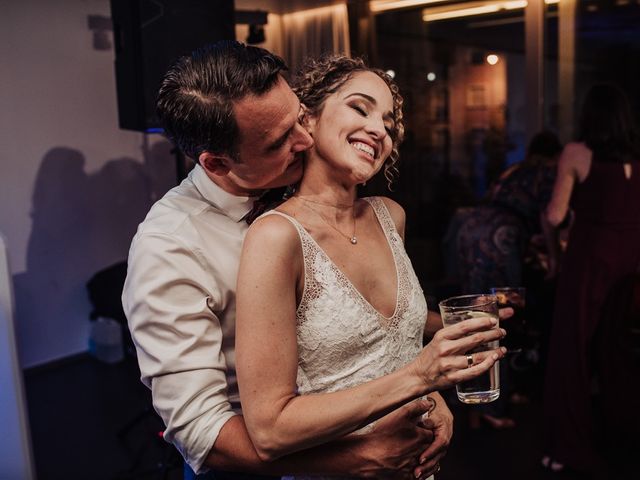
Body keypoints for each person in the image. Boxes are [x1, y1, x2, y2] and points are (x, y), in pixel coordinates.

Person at [122, 41, 454, 479]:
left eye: (299, 116)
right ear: (218, 164)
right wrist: (357, 459)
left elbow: (350, 316)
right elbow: (203, 432)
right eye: (281, 140)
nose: (305, 138)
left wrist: (441, 349)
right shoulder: (170, 246)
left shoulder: (320, 196)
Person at [234, 54, 506, 480]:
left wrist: (434, 397)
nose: (380, 130)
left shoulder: (389, 216)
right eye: (360, 108)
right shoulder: (276, 237)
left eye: (390, 124)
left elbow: (393, 343)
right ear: (308, 118)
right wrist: (422, 376)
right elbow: (270, 429)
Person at [542, 84, 640, 476]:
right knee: (618, 355)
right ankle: (624, 441)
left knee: (571, 354)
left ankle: (565, 450)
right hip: (631, 262)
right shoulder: (636, 158)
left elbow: (554, 216)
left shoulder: (577, 153)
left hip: (590, 260)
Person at [454, 131, 562, 429]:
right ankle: (492, 406)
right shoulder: (548, 171)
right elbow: (548, 218)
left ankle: (483, 398)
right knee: (501, 318)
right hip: (499, 237)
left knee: (476, 315)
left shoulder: (517, 169)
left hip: (471, 229)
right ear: (556, 155)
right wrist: (554, 258)